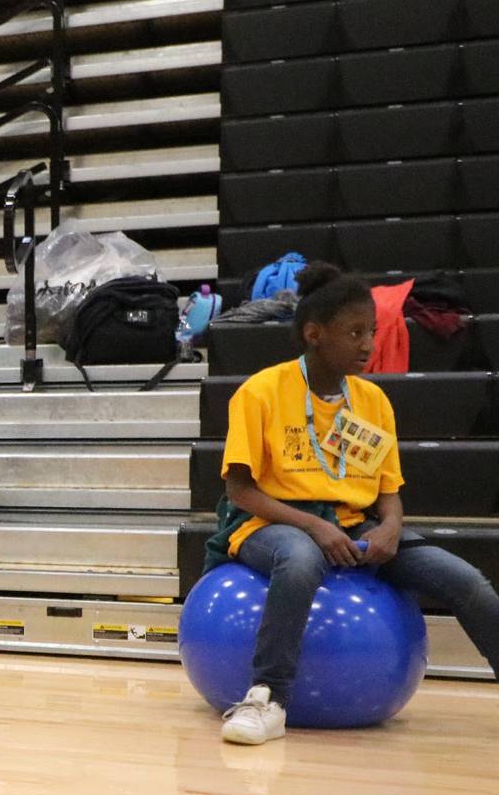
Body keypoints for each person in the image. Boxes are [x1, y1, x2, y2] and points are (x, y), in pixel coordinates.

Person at [209, 267, 499, 745]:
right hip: (268, 520)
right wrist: (314, 528)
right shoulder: (259, 392)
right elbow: (239, 491)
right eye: (355, 332)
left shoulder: (374, 400)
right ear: (314, 334)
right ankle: (267, 699)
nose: (368, 344)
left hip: (353, 524)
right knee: (300, 561)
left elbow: (388, 490)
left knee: (464, 580)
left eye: (373, 332)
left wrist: (390, 527)